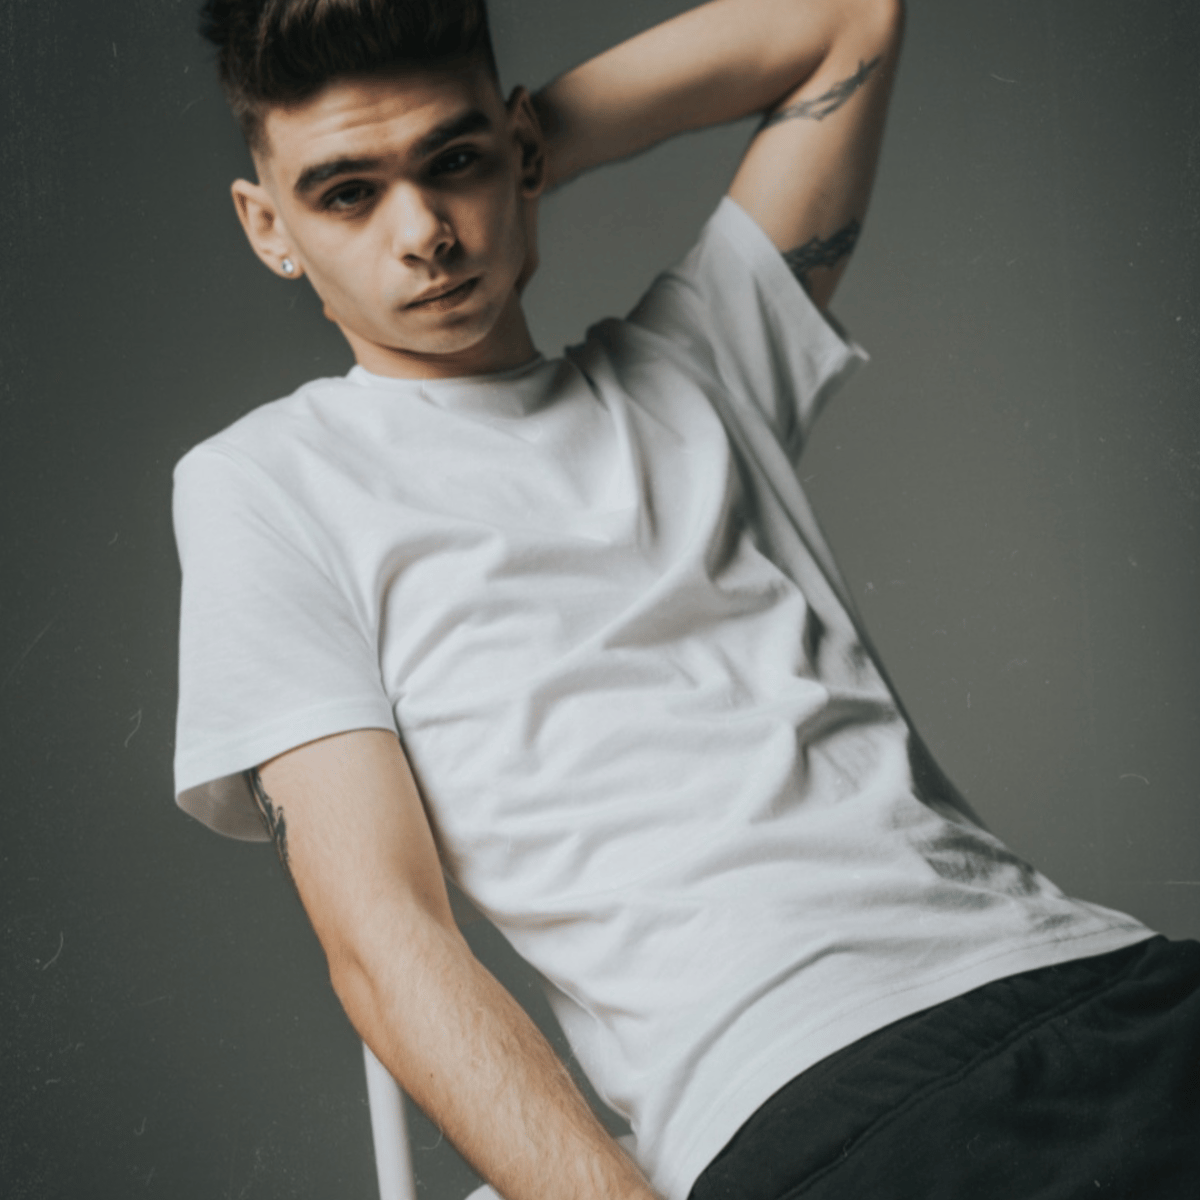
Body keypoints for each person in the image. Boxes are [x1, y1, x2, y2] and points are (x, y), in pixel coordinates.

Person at [172, 2, 1199, 1197]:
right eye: (348, 193)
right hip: (818, 1099)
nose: (425, 235)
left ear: (518, 149)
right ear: (269, 224)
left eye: (453, 163)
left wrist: (531, 147)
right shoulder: (270, 483)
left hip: (1107, 984)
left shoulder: (694, 364)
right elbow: (383, 937)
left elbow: (846, 20)